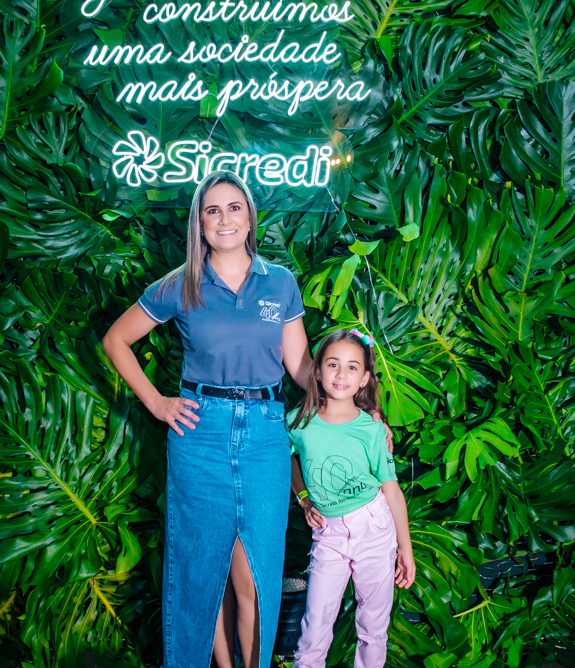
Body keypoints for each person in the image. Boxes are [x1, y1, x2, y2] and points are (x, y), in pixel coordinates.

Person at [100, 170, 313, 668]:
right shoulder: (182, 284)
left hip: (264, 435)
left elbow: (302, 368)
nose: (224, 218)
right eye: (212, 210)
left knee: (254, 578)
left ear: (250, 216)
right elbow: (116, 340)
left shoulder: (280, 282)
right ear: (199, 222)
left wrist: (363, 408)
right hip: (200, 435)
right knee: (200, 573)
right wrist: (158, 403)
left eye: (234, 207)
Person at [288, 328, 416, 668]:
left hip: (374, 529)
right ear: (317, 371)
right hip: (329, 535)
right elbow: (286, 458)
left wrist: (405, 549)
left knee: (373, 627)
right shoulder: (298, 423)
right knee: (315, 624)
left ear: (364, 379)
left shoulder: (372, 430)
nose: (341, 374)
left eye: (352, 367)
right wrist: (303, 497)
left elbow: (391, 489)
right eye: (332, 364)